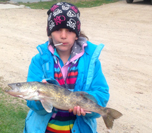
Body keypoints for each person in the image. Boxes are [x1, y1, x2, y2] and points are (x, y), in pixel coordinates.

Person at [23, 2, 109, 133]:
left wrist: (86, 103)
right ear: (50, 33)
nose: (63, 36)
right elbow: (32, 103)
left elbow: (101, 93)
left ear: (76, 34)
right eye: (57, 30)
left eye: (69, 30)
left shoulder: (91, 62)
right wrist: (41, 99)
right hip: (45, 129)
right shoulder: (39, 60)